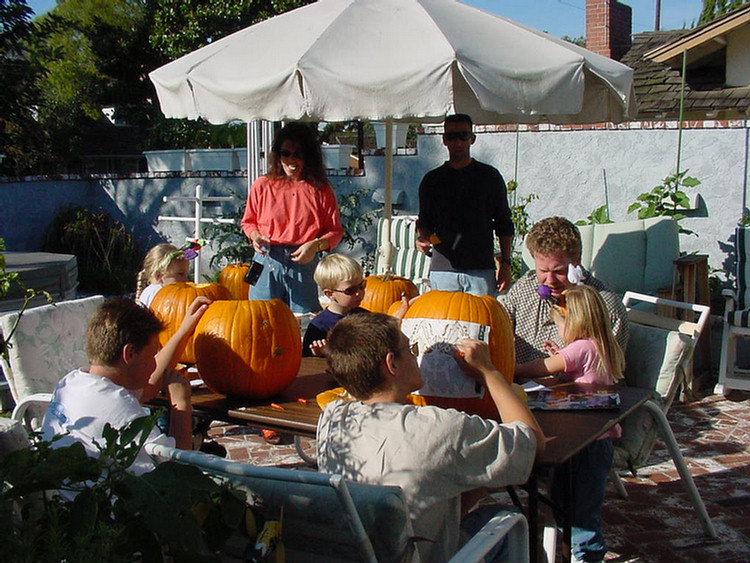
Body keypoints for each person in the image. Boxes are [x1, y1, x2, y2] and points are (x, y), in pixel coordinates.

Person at [317, 313, 545, 563]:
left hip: (371, 551)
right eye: (411, 349)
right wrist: (489, 372)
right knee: (509, 517)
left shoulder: (332, 418)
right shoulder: (442, 427)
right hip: (425, 555)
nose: (418, 356)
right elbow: (531, 443)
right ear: (392, 364)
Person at [41, 297, 208, 481]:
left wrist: (184, 330)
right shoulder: (123, 413)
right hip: (109, 507)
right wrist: (181, 406)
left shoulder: (71, 382)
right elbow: (176, 475)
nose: (155, 365)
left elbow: (147, 388)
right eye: (153, 354)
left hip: (60, 500)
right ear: (129, 353)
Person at [515, 285, 625, 563]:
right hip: (597, 439)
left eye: (560, 324)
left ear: (575, 322)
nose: (559, 331)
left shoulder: (581, 348)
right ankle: (576, 552)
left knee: (578, 512)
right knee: (579, 505)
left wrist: (501, 367)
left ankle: (586, 556)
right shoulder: (601, 344)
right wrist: (562, 354)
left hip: (583, 445)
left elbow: (539, 369)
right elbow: (576, 376)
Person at [241, 122, 344, 314]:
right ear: (277, 155)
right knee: (261, 317)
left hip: (303, 261)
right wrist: (255, 236)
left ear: (309, 156)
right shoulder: (263, 185)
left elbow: (335, 231)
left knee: (303, 321)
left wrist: (315, 245)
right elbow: (248, 221)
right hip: (266, 259)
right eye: (285, 153)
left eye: (298, 154)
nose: (291, 160)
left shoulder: (320, 189)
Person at [499, 216, 629, 364]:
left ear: (577, 260)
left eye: (559, 271)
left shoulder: (604, 307)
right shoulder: (526, 286)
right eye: (542, 271)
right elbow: (499, 324)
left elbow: (605, 371)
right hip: (518, 382)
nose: (550, 280)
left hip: (573, 386)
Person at [416, 113, 514, 296]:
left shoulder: (489, 177)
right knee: (442, 323)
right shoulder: (432, 180)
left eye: (463, 136)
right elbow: (425, 223)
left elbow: (504, 224)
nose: (458, 142)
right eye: (452, 137)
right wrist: (427, 239)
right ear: (444, 140)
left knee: (483, 323)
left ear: (472, 138)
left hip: (481, 269)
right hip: (443, 270)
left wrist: (506, 264)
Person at [302, 253, 368, 357]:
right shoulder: (319, 326)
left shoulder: (365, 316)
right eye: (350, 290)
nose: (358, 293)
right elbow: (307, 360)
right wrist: (317, 353)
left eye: (362, 286)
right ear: (330, 294)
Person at [135, 243, 190, 307]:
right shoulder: (156, 293)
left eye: (186, 274)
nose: (186, 279)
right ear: (159, 276)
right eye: (180, 274)